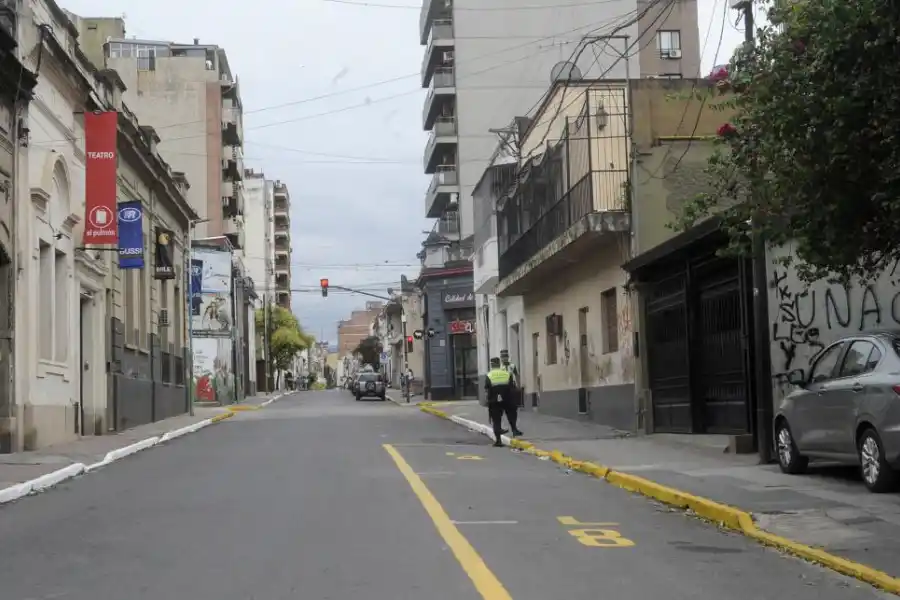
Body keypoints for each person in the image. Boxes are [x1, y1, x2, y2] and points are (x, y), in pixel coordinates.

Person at [484, 357, 519, 447]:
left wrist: (487, 401)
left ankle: (498, 441)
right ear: (499, 364)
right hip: (507, 399)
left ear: (491, 365)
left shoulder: (489, 375)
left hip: (494, 401)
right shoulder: (506, 374)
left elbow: (487, 389)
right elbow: (512, 387)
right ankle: (514, 430)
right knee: (511, 414)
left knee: (496, 420)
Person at [500, 350, 524, 437]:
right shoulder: (500, 368)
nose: (504, 358)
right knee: (506, 411)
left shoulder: (512, 366)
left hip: (511, 389)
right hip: (503, 390)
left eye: (505, 356)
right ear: (501, 358)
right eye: (503, 357)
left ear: (508, 357)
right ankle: (512, 428)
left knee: (514, 409)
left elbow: (517, 375)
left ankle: (514, 428)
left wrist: (518, 385)